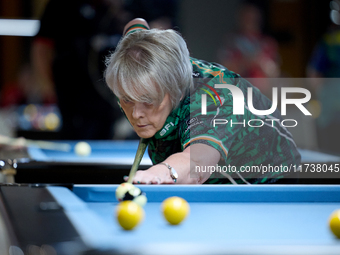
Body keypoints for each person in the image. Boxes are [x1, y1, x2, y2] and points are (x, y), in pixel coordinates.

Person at [104, 18, 301, 185]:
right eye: (128, 100)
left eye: (148, 101)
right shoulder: (130, 74)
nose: (136, 114)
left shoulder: (216, 94)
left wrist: (159, 173)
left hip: (270, 185)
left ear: (175, 93)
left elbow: (196, 163)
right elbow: (136, 26)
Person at [32, 0, 130, 140]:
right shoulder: (59, 5)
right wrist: (47, 86)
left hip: (108, 96)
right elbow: (41, 47)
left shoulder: (118, 9)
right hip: (72, 95)